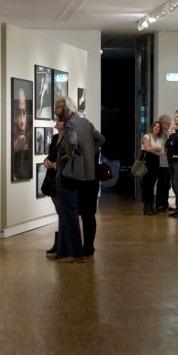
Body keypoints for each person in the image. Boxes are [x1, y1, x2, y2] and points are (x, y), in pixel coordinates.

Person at [54, 97, 104, 263]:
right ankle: (62, 250)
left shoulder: (71, 124)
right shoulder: (85, 122)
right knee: (66, 211)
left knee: (69, 213)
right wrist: (88, 152)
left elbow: (73, 140)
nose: (55, 110)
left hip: (68, 173)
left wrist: (72, 152)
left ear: (67, 108)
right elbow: (100, 139)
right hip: (81, 174)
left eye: (58, 107)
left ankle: (75, 253)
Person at [44, 118, 64, 256]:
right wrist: (46, 160)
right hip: (52, 178)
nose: (56, 122)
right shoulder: (56, 137)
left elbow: (69, 159)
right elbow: (51, 155)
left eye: (59, 120)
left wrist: (56, 165)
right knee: (59, 212)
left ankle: (61, 244)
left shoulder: (68, 138)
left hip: (62, 177)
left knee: (63, 212)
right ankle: (59, 243)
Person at [140, 120, 164, 215]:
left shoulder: (160, 139)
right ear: (152, 127)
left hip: (155, 162)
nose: (157, 128)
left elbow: (162, 152)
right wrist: (156, 149)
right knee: (146, 184)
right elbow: (146, 148)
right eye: (155, 126)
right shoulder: (147, 136)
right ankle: (146, 207)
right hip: (147, 161)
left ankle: (151, 206)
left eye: (159, 127)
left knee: (152, 184)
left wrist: (152, 148)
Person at [12, 86, 31, 180]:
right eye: (18, 113)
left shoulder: (29, 141)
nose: (22, 121)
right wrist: (13, 150)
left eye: (24, 113)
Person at [155, 113, 172, 212]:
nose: (169, 125)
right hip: (161, 163)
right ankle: (159, 205)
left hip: (167, 163)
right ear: (161, 123)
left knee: (167, 185)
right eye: (167, 123)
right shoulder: (159, 134)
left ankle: (165, 204)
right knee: (161, 185)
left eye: (170, 123)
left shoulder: (167, 134)